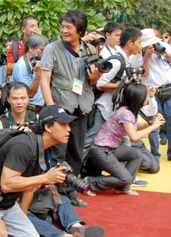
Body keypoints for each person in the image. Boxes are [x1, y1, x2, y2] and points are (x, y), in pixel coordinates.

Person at [0, 104, 90, 237]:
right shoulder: (24, 145)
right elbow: (7, 184)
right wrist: (45, 178)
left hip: (9, 206)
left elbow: (29, 188)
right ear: (48, 127)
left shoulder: (43, 148)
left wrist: (22, 221)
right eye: (64, 125)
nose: (69, 130)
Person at [40, 9, 101, 177]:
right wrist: (52, 109)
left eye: (69, 27)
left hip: (81, 108)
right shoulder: (52, 49)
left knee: (76, 151)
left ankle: (71, 190)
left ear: (80, 31)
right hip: (61, 107)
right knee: (58, 153)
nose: (64, 31)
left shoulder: (90, 50)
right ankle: (57, 193)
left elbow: (90, 83)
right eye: (63, 27)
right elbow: (44, 80)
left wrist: (96, 76)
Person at [84, 83, 165, 196]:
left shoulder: (130, 112)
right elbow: (134, 137)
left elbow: (134, 127)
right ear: (139, 98)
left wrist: (149, 124)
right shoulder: (125, 113)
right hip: (101, 151)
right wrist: (153, 126)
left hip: (110, 149)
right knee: (126, 177)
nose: (148, 97)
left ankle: (123, 187)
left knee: (136, 154)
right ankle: (91, 182)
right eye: (146, 95)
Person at [84, 27, 143, 152]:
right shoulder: (117, 61)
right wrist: (124, 85)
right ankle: (76, 169)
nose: (141, 46)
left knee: (124, 141)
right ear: (130, 43)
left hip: (113, 109)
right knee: (89, 140)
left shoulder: (125, 60)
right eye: (139, 42)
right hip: (104, 108)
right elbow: (100, 83)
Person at [132, 28, 171, 164]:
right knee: (153, 122)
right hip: (151, 91)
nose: (151, 46)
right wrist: (147, 56)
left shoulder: (164, 47)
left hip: (169, 88)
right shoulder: (139, 55)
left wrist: (162, 53)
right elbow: (143, 74)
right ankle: (155, 154)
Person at [12, 34, 48, 111]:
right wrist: (38, 74)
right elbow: (29, 94)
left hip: (41, 107)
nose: (44, 53)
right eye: (41, 50)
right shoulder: (21, 66)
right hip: (29, 109)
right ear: (31, 48)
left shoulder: (36, 61)